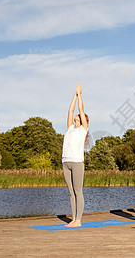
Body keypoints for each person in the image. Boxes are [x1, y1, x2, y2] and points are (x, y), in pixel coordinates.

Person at [62, 83, 89, 227]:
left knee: (78, 191)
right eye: (76, 117)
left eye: (79, 117)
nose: (75, 117)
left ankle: (78, 220)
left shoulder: (83, 130)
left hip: (77, 163)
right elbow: (70, 110)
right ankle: (73, 218)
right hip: (66, 162)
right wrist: (73, 94)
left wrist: (79, 95)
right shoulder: (70, 128)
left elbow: (80, 108)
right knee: (71, 192)